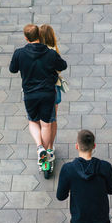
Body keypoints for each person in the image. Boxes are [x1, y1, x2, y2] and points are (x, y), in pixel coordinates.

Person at [9, 24, 67, 164]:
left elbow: (13, 69)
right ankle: (46, 155)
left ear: (25, 37)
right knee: (46, 125)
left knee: (32, 121)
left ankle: (40, 147)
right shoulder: (50, 54)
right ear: (39, 36)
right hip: (48, 94)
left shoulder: (19, 53)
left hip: (30, 94)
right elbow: (63, 66)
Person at [56, 130, 112, 223]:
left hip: (79, 221)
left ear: (77, 146)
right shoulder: (105, 167)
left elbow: (60, 196)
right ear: (94, 146)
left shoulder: (68, 169)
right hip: (100, 220)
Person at [39, 24, 63, 154]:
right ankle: (50, 148)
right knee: (52, 120)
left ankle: (41, 146)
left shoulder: (36, 51)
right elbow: (60, 68)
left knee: (40, 122)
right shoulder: (54, 50)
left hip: (37, 89)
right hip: (53, 89)